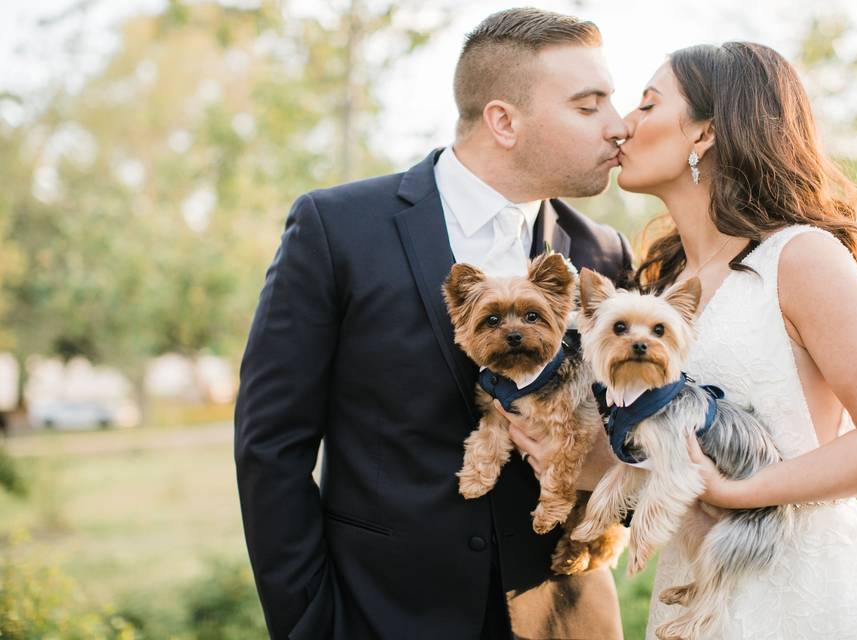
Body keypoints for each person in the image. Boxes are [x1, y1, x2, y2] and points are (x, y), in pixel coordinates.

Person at [234, 8, 632, 639]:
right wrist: (310, 625)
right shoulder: (338, 229)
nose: (619, 127)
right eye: (590, 107)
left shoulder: (604, 253)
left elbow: (633, 432)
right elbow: (270, 448)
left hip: (564, 618)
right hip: (383, 613)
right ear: (503, 120)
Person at [610, 41, 857, 638]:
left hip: (804, 594)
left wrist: (741, 492)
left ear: (704, 133)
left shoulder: (799, 258)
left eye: (646, 104)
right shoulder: (661, 293)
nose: (622, 125)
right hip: (692, 592)